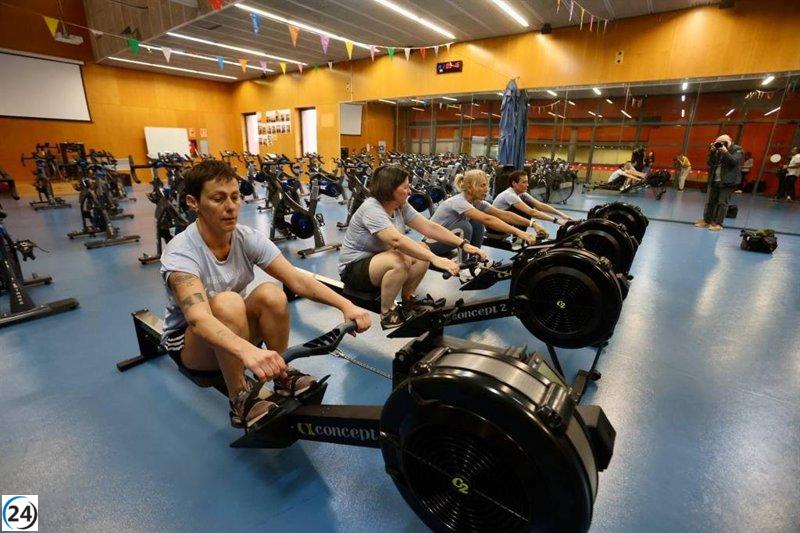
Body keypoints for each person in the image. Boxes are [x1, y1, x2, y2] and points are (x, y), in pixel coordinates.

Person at [159, 160, 372, 428]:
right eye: (218, 198)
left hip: (231, 329)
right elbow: (198, 319)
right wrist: (248, 351)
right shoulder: (182, 252)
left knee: (271, 293)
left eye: (235, 197)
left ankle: (282, 375)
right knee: (228, 302)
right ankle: (240, 399)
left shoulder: (246, 237)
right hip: (191, 345)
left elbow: (296, 279)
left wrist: (346, 305)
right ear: (193, 202)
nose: (230, 206)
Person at [338, 165, 487, 329]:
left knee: (422, 250)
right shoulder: (371, 209)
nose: (409, 192)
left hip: (377, 263)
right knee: (399, 259)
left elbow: (429, 227)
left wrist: (463, 244)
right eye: (405, 187)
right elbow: (396, 240)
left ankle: (408, 300)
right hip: (353, 270)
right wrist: (436, 259)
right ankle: (388, 314)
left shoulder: (400, 205)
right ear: (390, 189)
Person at [427, 169, 540, 256]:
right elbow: (488, 220)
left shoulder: (477, 202)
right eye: (482, 185)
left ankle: (474, 257)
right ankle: (464, 268)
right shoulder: (458, 201)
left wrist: (532, 224)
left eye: (487, 185)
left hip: (446, 239)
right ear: (470, 188)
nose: (487, 189)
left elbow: (503, 214)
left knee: (477, 223)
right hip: (432, 243)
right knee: (465, 226)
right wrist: (519, 233)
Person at [490, 170, 573, 234]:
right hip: (495, 227)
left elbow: (540, 205)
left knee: (529, 203)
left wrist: (562, 215)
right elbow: (532, 212)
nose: (527, 185)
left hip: (505, 222)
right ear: (514, 183)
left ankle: (519, 237)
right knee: (527, 206)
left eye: (527, 182)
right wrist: (556, 220)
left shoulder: (522, 193)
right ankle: (518, 238)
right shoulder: (510, 194)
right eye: (524, 182)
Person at [695, 134, 742, 231]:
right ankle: (707, 220)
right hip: (715, 179)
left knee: (722, 203)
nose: (720, 144)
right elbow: (710, 163)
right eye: (718, 142)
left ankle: (718, 223)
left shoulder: (737, 150)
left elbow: (734, 162)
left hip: (728, 181)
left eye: (722, 142)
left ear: (729, 141)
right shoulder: (717, 151)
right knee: (710, 202)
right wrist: (712, 152)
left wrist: (725, 152)